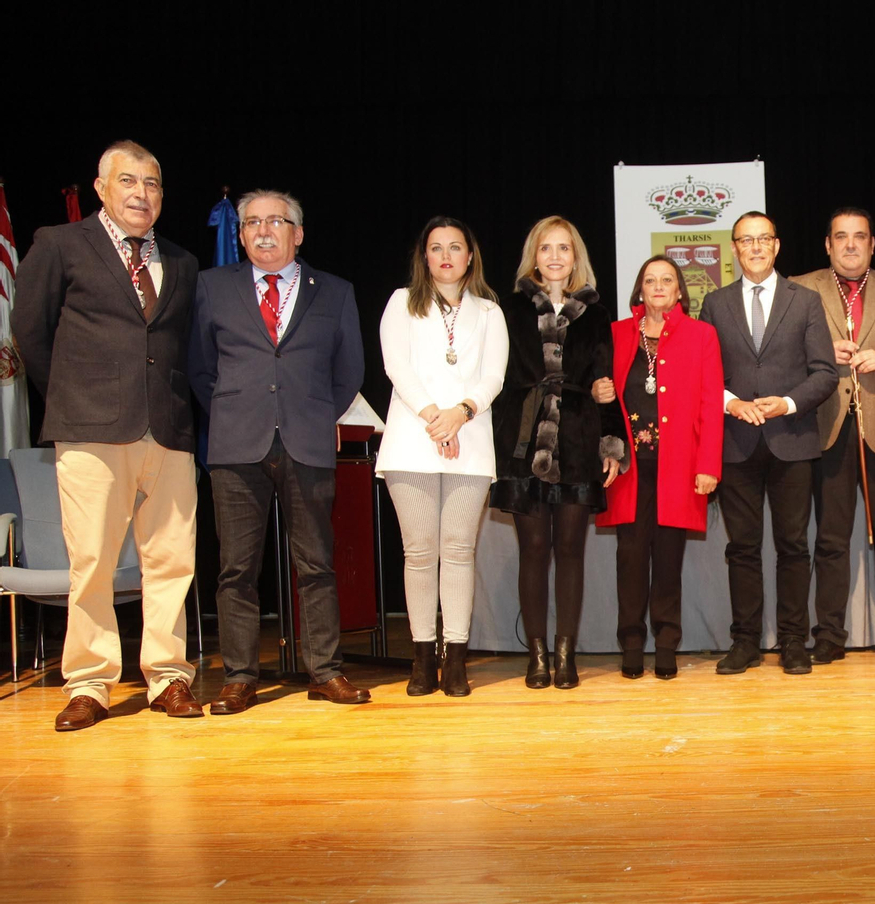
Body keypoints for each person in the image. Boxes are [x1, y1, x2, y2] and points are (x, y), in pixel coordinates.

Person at [13, 140, 202, 731]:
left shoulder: (182, 260)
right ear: (101, 188)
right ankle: (90, 684)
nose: (141, 194)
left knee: (172, 561)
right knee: (91, 561)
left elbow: (184, 347)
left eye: (152, 184)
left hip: (167, 429)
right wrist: (75, 397)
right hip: (90, 428)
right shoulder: (60, 244)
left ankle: (169, 677)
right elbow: (31, 331)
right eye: (128, 182)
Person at [188, 189, 370, 713]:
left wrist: (310, 413)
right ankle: (239, 677)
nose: (263, 230)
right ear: (240, 233)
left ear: (299, 232)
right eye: (251, 222)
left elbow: (349, 370)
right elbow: (200, 367)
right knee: (236, 570)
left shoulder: (334, 291)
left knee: (316, 565)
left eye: (275, 220)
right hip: (235, 442)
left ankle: (325, 672)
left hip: (306, 441)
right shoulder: (211, 287)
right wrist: (233, 407)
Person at [698, 211, 835, 675]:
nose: (755, 248)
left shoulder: (807, 301)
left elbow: (825, 374)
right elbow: (703, 376)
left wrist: (789, 404)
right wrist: (732, 403)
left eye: (763, 240)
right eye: (745, 240)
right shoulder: (714, 304)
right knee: (743, 548)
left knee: (794, 545)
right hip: (735, 441)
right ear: (734, 249)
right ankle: (745, 642)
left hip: (791, 440)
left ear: (776, 246)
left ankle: (795, 641)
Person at [376, 217, 507, 697]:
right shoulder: (400, 303)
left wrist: (460, 414)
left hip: (469, 441)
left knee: (457, 551)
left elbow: (493, 377)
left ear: (470, 256)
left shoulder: (490, 313)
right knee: (419, 553)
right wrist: (436, 418)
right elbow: (396, 367)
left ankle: (455, 659)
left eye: (456, 247)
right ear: (424, 257)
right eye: (436, 248)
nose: (446, 255)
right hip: (412, 440)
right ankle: (421, 657)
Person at [490, 216, 623, 690]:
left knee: (570, 550)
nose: (554, 256)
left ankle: (565, 653)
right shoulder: (508, 309)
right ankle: (537, 655)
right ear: (534, 255)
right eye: (545, 248)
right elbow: (496, 378)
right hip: (524, 440)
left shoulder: (596, 313)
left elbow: (605, 386)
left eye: (563, 248)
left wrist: (611, 444)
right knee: (534, 549)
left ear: (575, 257)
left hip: (579, 438)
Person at [793, 208, 875, 664]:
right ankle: (829, 634)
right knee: (830, 536)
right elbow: (784, 354)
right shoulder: (801, 287)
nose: (851, 245)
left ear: (873, 244)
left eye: (860, 237)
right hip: (826, 425)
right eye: (841, 237)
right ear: (827, 245)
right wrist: (821, 353)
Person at [592, 256, 724, 679]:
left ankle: (666, 643)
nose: (659, 286)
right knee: (629, 559)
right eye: (650, 280)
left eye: (667, 280)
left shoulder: (702, 335)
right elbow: (601, 399)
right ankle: (631, 643)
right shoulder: (615, 334)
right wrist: (598, 392)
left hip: (679, 467)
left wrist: (708, 466)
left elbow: (710, 404)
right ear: (640, 289)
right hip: (629, 468)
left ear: (680, 290)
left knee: (668, 559)